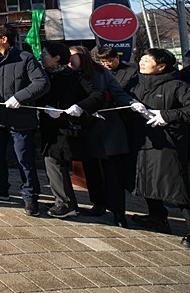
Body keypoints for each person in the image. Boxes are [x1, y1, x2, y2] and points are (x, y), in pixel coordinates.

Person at [0, 23, 50, 216]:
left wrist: (20, 97)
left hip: (21, 120)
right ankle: (0, 189)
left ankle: (30, 197)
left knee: (24, 159)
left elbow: (42, 83)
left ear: (4, 39)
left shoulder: (25, 57)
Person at [37, 42, 104, 219]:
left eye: (45, 54)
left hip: (68, 128)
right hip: (49, 126)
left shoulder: (75, 77)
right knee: (52, 161)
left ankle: (66, 204)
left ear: (57, 58)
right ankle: (62, 200)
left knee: (56, 161)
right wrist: (45, 107)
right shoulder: (43, 76)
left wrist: (80, 107)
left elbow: (97, 95)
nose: (42, 57)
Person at [130, 48, 190, 248]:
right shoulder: (138, 84)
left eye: (147, 60)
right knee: (148, 181)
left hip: (170, 144)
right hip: (145, 143)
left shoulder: (178, 86)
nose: (142, 62)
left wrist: (167, 115)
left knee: (177, 187)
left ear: (161, 66)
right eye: (142, 58)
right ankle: (157, 217)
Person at [70, 45, 136, 227]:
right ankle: (98, 203)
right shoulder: (69, 75)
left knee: (112, 170)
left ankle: (118, 211)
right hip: (85, 125)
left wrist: (132, 103)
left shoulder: (101, 73)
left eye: (73, 56)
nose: (70, 60)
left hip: (108, 124)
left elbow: (118, 93)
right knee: (91, 168)